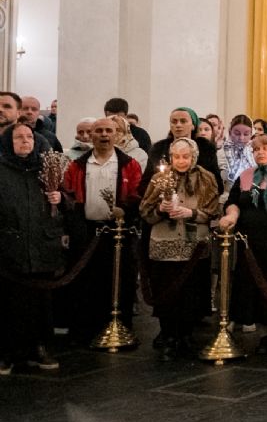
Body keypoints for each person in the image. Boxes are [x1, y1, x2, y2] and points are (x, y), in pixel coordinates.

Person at [60, 118, 144, 344]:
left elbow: (137, 194)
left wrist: (124, 210)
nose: (104, 134)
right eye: (99, 131)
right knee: (87, 282)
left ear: (117, 134)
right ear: (91, 135)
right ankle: (86, 329)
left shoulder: (129, 164)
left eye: (109, 130)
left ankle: (120, 327)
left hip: (119, 232)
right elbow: (68, 196)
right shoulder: (77, 165)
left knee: (119, 280)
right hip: (87, 232)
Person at [140, 137, 220, 360]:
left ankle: (186, 335)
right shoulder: (160, 178)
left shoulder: (206, 178)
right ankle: (169, 335)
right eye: (177, 157)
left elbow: (213, 211)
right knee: (167, 293)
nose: (181, 161)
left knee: (190, 293)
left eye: (186, 157)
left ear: (194, 157)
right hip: (165, 243)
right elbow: (145, 212)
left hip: (193, 246)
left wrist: (192, 213)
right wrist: (161, 209)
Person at [218, 134, 267, 356]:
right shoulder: (246, 176)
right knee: (255, 287)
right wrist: (231, 214)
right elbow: (234, 201)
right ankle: (264, 335)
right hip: (251, 243)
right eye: (255, 149)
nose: (260, 152)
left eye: (265, 147)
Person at [0, 123, 64, 373]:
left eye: (29, 137)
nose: (25, 141)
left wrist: (61, 199)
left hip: (41, 244)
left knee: (41, 302)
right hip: (8, 246)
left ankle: (41, 347)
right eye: (18, 137)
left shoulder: (46, 168)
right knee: (8, 301)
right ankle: (7, 351)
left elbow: (67, 202)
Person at [149, 108, 223, 191]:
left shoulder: (206, 149)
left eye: (183, 121)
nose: (178, 125)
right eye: (174, 122)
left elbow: (216, 183)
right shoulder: (159, 149)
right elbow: (147, 181)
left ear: (193, 126)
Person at [219, 115, 256, 185]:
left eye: (246, 134)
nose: (241, 138)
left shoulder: (255, 152)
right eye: (237, 134)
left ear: (251, 134)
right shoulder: (222, 153)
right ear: (230, 132)